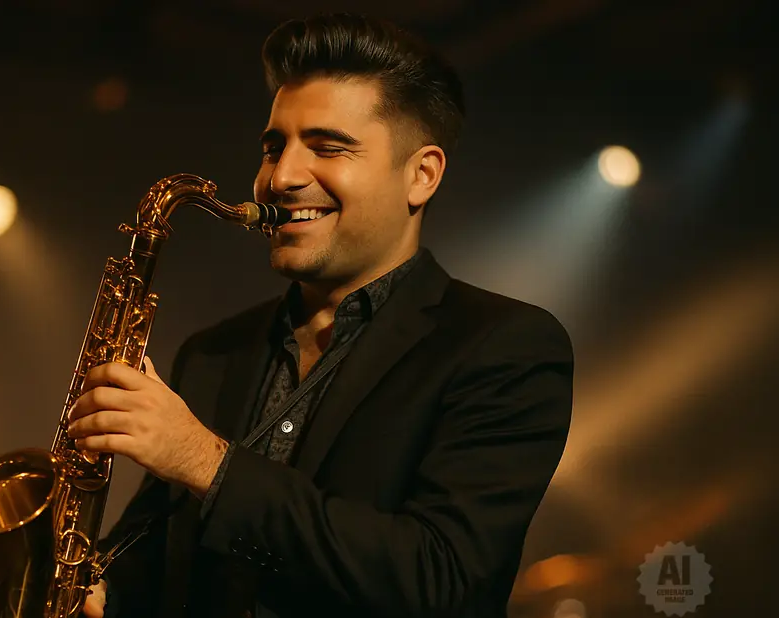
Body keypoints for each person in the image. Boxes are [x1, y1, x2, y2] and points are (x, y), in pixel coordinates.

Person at [68, 12, 574, 618]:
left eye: (328, 147)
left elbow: (440, 581)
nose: (280, 177)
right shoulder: (210, 353)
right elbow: (156, 569)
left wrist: (205, 460)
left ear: (422, 175)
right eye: (274, 146)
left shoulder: (505, 346)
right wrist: (96, 593)